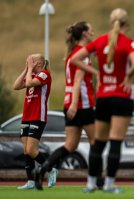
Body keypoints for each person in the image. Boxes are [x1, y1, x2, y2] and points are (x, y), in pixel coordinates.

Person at [71, 8, 134, 193]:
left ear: (111, 23)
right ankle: (109, 184)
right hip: (122, 97)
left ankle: (90, 184)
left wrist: (98, 73)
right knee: (116, 141)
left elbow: (75, 59)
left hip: (103, 97)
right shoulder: (129, 43)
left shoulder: (99, 41)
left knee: (99, 142)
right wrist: (128, 76)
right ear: (127, 24)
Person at [34, 21, 96, 190]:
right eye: (90, 30)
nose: (93, 32)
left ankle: (43, 169)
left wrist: (71, 104)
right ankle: (96, 180)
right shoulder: (82, 54)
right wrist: (76, 105)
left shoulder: (70, 55)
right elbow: (77, 81)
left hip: (69, 101)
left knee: (70, 145)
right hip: (81, 103)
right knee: (96, 142)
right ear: (84, 34)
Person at [13, 54, 56, 189]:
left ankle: (51, 169)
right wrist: (27, 69)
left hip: (38, 116)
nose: (28, 61)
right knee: (26, 151)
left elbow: (31, 83)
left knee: (31, 149)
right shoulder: (30, 75)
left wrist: (30, 69)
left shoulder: (44, 74)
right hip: (27, 116)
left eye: (31, 60)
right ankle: (31, 181)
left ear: (38, 63)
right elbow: (16, 86)